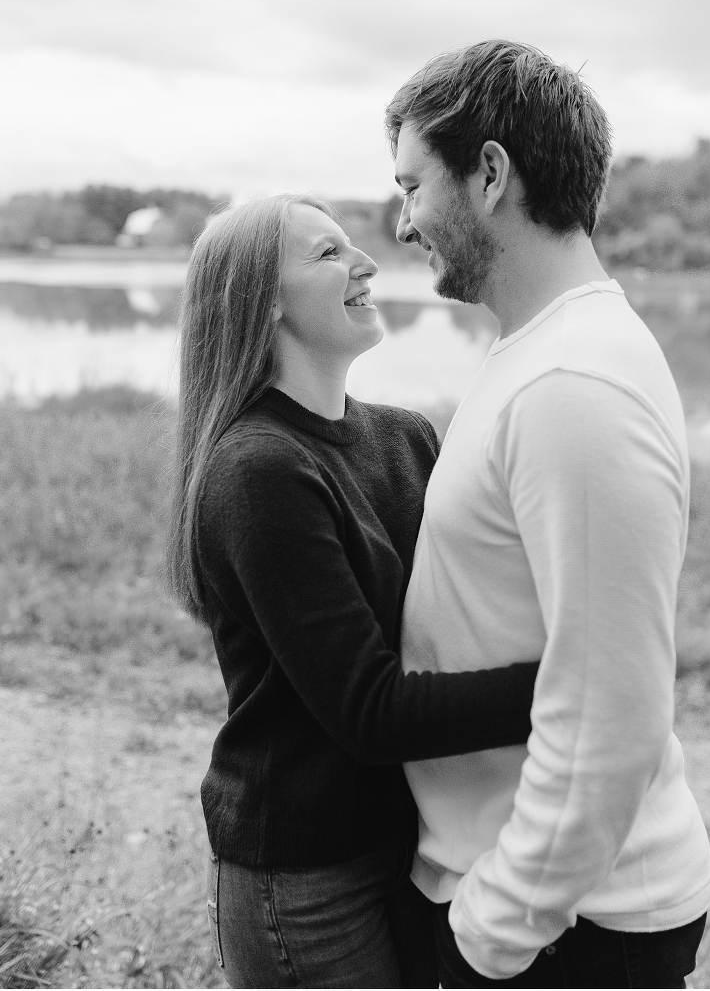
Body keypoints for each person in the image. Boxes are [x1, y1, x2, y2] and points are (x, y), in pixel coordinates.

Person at [385, 39, 710, 989]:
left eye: (413, 186)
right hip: (542, 911)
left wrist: (489, 934)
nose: (403, 222)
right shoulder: (538, 349)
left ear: (490, 172)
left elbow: (609, 704)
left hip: (570, 931)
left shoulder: (572, 383)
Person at [166, 192, 540, 990]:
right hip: (305, 877)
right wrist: (567, 688)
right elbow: (370, 710)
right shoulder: (258, 469)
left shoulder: (407, 436)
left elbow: (465, 614)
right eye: (329, 253)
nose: (368, 260)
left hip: (413, 846)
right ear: (262, 301)